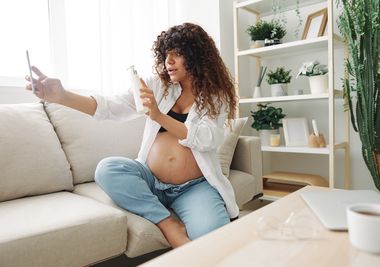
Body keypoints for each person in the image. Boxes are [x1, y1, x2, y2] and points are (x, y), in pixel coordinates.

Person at [25, 23, 238, 248]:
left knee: (215, 240)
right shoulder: (158, 85)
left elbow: (207, 139)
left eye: (177, 54)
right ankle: (167, 224)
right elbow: (111, 106)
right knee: (108, 168)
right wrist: (62, 96)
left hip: (193, 187)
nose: (169, 61)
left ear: (197, 55)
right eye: (166, 55)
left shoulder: (216, 95)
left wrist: (158, 116)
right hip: (151, 180)